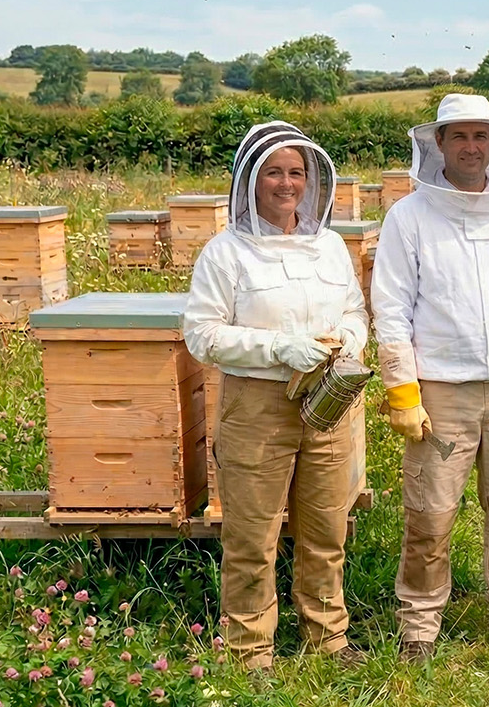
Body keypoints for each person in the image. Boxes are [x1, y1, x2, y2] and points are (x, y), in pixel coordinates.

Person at [372, 93, 489, 662]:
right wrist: (402, 392)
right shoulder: (409, 216)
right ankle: (419, 626)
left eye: (481, 136)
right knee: (430, 515)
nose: (471, 147)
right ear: (438, 144)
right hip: (441, 389)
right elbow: (392, 308)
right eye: (459, 136)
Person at [183, 121, 369, 672]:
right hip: (258, 407)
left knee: (326, 529)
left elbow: (355, 310)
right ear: (250, 182)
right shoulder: (225, 253)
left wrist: (352, 340)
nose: (286, 184)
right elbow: (202, 334)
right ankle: (248, 651)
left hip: (331, 403)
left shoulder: (331, 246)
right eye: (273, 172)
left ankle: (328, 637)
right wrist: (278, 348)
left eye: (296, 172)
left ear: (312, 182)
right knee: (252, 537)